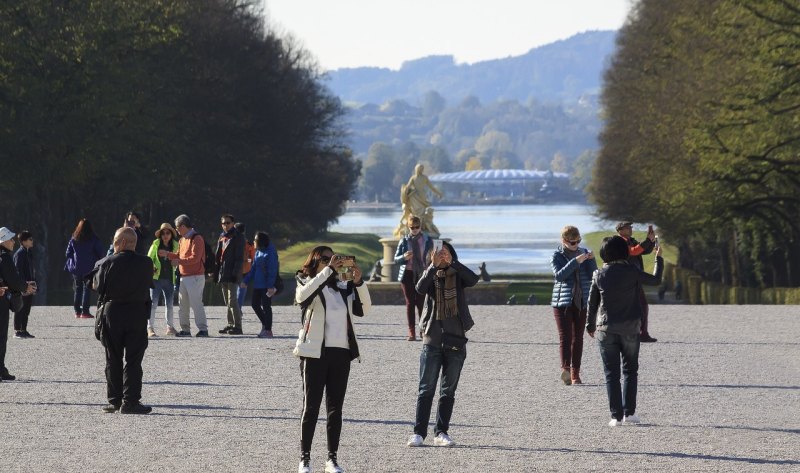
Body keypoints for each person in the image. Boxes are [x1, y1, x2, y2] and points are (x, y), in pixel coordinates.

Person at [294, 246, 371, 473]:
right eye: (326, 259)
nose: (332, 262)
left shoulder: (343, 286)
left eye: (335, 259)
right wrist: (327, 271)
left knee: (335, 409)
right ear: (316, 262)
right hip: (315, 353)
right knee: (311, 407)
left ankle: (331, 459)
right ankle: (305, 459)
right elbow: (301, 297)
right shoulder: (307, 282)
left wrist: (359, 283)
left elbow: (365, 310)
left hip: (341, 353)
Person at [407, 241, 479, 448]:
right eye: (438, 253)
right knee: (426, 388)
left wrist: (453, 262)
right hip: (432, 338)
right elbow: (419, 288)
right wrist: (432, 266)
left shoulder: (458, 275)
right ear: (431, 256)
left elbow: (473, 279)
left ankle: (441, 431)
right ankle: (418, 433)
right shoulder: (430, 275)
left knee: (448, 390)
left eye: (445, 253)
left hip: (455, 338)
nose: (442, 256)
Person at [586, 235, 663, 427]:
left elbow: (592, 302)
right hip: (630, 326)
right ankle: (629, 412)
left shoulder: (598, 274)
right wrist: (658, 258)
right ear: (625, 252)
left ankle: (615, 416)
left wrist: (589, 324)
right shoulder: (632, 271)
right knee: (630, 370)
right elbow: (655, 280)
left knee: (611, 373)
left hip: (606, 328)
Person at [90, 227, 154, 414]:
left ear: (123, 243)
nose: (114, 245)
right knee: (134, 360)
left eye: (116, 242)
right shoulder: (146, 262)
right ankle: (131, 401)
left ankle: (115, 400)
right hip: (136, 313)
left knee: (113, 358)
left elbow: (98, 287)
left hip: (113, 313)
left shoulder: (107, 262)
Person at [550, 225, 597, 385]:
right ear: (564, 241)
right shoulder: (557, 255)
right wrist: (575, 262)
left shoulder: (584, 252)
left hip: (581, 301)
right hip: (562, 302)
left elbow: (593, 276)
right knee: (565, 336)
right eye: (572, 242)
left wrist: (591, 260)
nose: (576, 244)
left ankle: (575, 373)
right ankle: (566, 369)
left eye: (578, 241)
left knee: (578, 338)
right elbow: (559, 276)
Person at [160, 214, 208, 337]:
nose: (176, 230)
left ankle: (203, 329)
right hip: (184, 276)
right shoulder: (182, 240)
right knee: (183, 305)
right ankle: (185, 330)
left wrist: (179, 261)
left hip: (195, 276)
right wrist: (167, 254)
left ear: (183, 226)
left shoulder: (197, 238)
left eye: (177, 227)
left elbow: (195, 258)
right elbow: (178, 256)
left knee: (196, 303)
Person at [0, 227, 36, 381]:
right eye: (10, 239)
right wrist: (25, 287)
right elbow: (13, 279)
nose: (13, 241)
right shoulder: (5, 257)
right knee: (1, 336)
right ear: (3, 241)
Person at [616, 221, 658, 342]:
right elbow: (634, 251)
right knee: (630, 307)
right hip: (625, 279)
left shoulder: (631, 240)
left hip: (634, 278)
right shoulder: (619, 242)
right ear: (620, 230)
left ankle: (641, 333)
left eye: (630, 227)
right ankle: (633, 333)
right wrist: (647, 241)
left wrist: (650, 240)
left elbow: (644, 251)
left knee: (641, 306)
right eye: (627, 227)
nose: (630, 229)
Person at [394, 215, 432, 341]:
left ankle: (422, 330)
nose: (414, 229)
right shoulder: (404, 240)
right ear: (408, 227)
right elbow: (396, 259)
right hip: (407, 274)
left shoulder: (427, 240)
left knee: (421, 303)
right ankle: (411, 332)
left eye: (417, 227)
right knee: (410, 303)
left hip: (422, 274)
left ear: (420, 226)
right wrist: (404, 257)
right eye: (412, 227)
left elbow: (433, 255)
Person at [64, 218, 106, 318]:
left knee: (77, 288)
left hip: (76, 267)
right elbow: (100, 253)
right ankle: (85, 312)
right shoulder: (94, 239)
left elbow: (67, 253)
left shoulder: (74, 238)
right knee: (87, 288)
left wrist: (75, 258)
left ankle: (77, 311)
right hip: (89, 267)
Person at [242, 231, 278, 338]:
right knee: (255, 305)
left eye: (255, 240)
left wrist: (270, 286)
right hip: (257, 285)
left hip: (267, 286)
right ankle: (265, 324)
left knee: (267, 307)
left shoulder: (270, 253)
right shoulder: (258, 251)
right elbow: (253, 268)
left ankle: (268, 330)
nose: (253, 242)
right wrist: (246, 281)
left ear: (260, 241)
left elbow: (272, 271)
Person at [147, 223, 179, 337]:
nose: (165, 235)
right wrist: (152, 267)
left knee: (170, 305)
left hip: (170, 279)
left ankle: (170, 327)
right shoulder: (155, 244)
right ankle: (150, 328)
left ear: (171, 234)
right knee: (153, 304)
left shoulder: (176, 245)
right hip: (156, 279)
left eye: (168, 233)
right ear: (160, 235)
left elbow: (179, 258)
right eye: (163, 233)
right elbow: (149, 259)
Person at [394, 164, 443, 237]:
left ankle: (421, 229)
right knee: (414, 213)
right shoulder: (413, 178)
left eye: (422, 169)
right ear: (416, 169)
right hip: (414, 197)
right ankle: (414, 229)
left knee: (422, 213)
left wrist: (439, 193)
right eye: (420, 169)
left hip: (422, 197)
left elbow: (431, 187)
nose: (421, 170)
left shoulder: (424, 178)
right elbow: (407, 187)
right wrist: (404, 191)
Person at [215, 214, 245, 335]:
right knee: (227, 301)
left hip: (232, 273)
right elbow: (218, 255)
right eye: (223, 223)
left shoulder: (238, 237)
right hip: (223, 273)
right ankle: (230, 324)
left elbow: (239, 258)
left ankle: (238, 327)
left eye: (228, 223)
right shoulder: (222, 236)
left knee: (232, 300)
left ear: (233, 223)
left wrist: (235, 273)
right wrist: (215, 271)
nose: (225, 225)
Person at [13, 231, 37, 339]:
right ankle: (17, 331)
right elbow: (18, 271)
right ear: (24, 241)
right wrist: (23, 285)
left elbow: (32, 270)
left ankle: (24, 329)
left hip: (30, 285)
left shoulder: (29, 252)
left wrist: (34, 283)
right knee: (20, 308)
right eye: (30, 239)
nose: (32, 241)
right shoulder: (19, 254)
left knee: (26, 309)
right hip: (22, 286)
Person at [235, 222, 255, 310]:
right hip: (245, 270)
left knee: (235, 291)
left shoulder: (231, 242)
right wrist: (247, 261)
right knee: (241, 291)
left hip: (236, 270)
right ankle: (238, 309)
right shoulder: (249, 244)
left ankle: (236, 310)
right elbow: (253, 258)